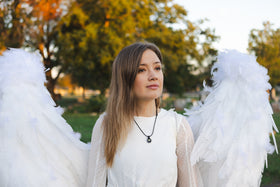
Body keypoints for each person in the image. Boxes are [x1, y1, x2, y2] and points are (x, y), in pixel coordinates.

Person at [86, 42, 202, 187]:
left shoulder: (178, 126)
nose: (153, 76)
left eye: (157, 68)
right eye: (141, 70)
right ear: (125, 77)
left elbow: (190, 184)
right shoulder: (107, 123)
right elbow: (94, 183)